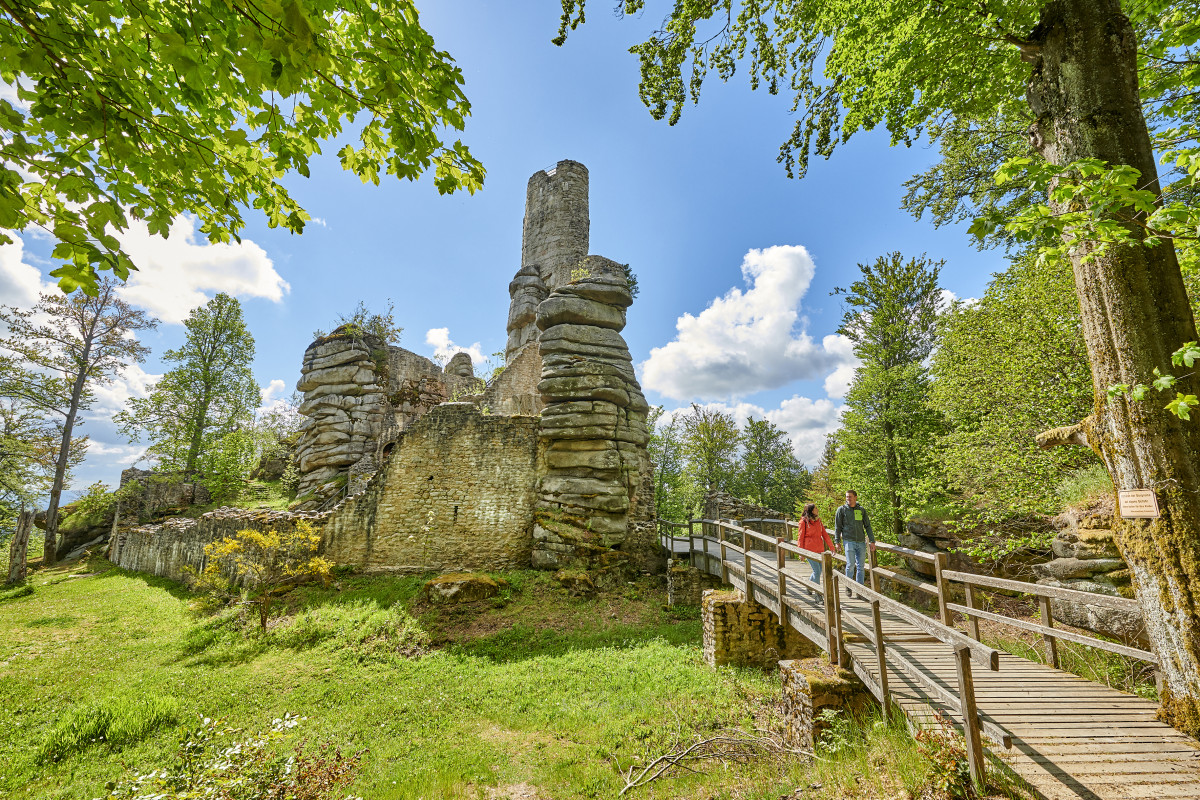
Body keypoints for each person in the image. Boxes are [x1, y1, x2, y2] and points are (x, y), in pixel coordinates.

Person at [834, 490, 875, 596]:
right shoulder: (841, 510)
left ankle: (859, 590)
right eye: (847, 497)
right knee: (850, 564)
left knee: (861, 566)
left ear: (855, 497)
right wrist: (837, 541)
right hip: (848, 541)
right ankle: (849, 586)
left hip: (861, 542)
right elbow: (837, 527)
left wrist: (872, 541)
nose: (848, 499)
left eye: (850, 497)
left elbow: (868, 526)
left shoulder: (861, 510)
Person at [797, 503, 834, 592]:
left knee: (819, 570)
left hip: (819, 549)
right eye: (816, 508)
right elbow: (800, 538)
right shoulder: (803, 522)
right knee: (816, 571)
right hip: (809, 550)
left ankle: (809, 586)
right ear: (812, 511)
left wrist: (831, 547)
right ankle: (818, 594)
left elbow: (824, 534)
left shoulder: (818, 521)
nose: (817, 509)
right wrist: (800, 552)